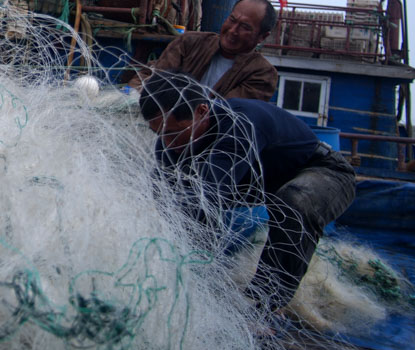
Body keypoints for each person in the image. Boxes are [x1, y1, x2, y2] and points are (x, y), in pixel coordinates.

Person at [138, 71, 355, 315]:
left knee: (294, 203)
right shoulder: (169, 146)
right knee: (176, 203)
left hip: (324, 172)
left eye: (174, 132)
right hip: (265, 186)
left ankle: (264, 305)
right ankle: (197, 283)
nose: (168, 143)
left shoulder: (240, 123)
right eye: (160, 134)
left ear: (201, 111)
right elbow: (167, 202)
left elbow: (207, 197)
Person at [132, 0, 279, 101]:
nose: (233, 30)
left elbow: (227, 113)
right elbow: (157, 79)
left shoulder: (263, 74)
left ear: (262, 37)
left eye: (245, 27)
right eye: (232, 20)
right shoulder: (190, 42)